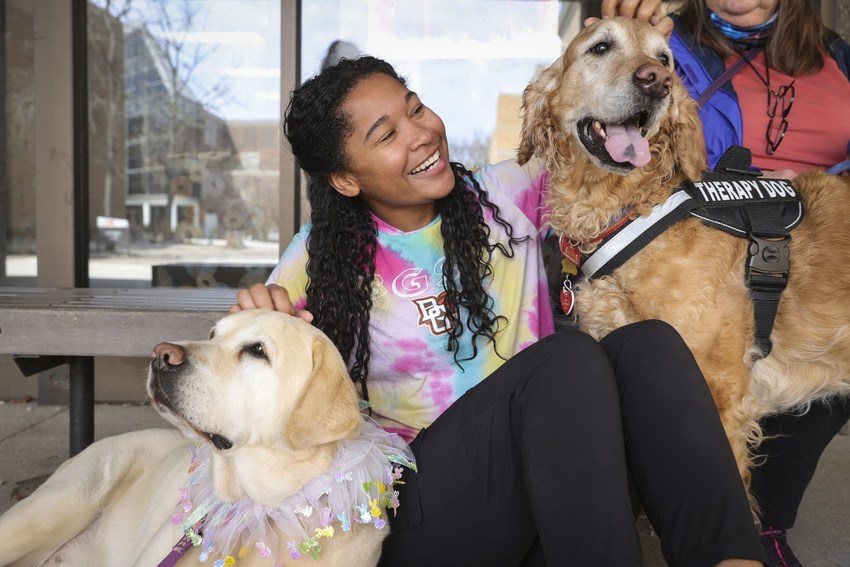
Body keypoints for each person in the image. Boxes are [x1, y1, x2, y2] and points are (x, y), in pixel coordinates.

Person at [231, 54, 766, 567]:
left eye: (414, 108)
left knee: (648, 344)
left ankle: (732, 559)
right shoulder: (318, 255)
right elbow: (245, 366)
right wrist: (261, 319)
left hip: (553, 487)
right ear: (346, 179)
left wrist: (638, 60)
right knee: (568, 359)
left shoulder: (505, 194)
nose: (419, 134)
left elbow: (593, 123)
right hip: (425, 515)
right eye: (387, 134)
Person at [657, 1, 850, 565]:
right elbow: (641, 158)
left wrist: (816, 186)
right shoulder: (671, 46)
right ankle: (738, 531)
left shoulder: (836, 53)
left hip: (823, 242)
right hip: (710, 243)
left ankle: (765, 521)